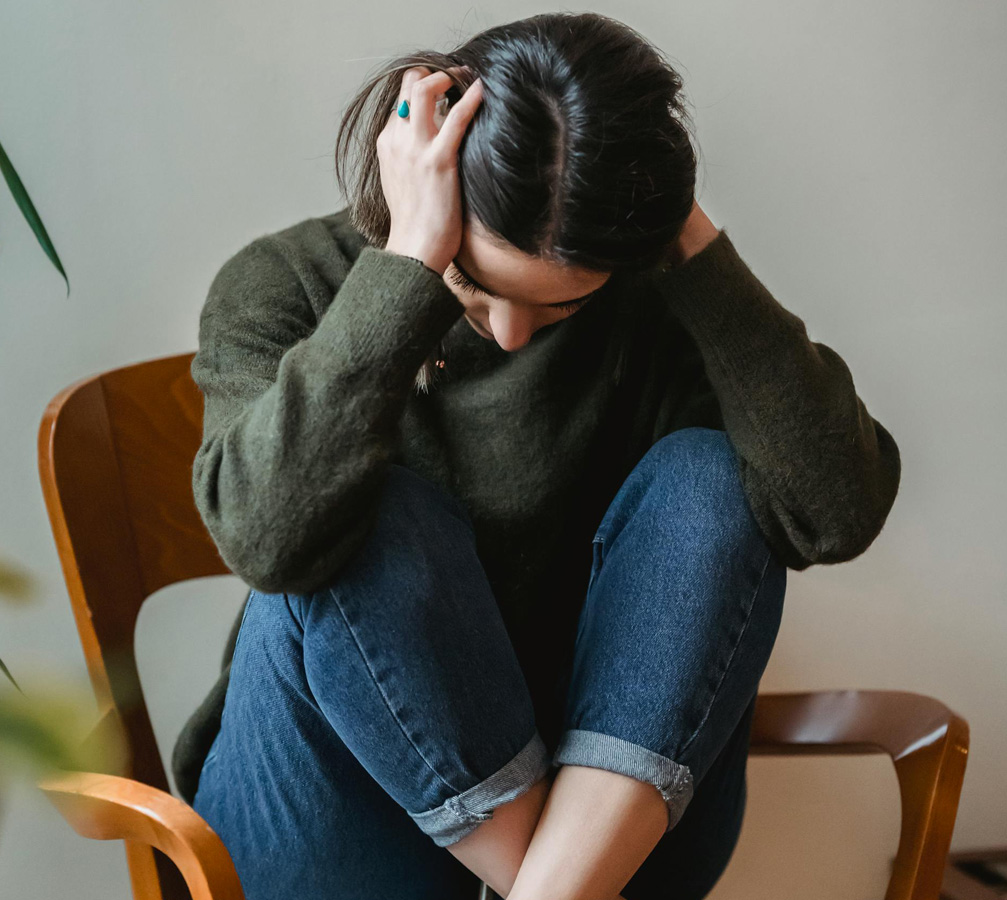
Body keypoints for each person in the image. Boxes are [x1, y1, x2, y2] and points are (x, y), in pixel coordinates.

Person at [173, 12, 902, 900]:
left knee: (713, 482)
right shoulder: (286, 284)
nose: (514, 334)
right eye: (476, 284)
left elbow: (832, 514)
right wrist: (407, 270)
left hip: (601, 820)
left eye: (560, 307)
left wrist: (696, 254)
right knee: (363, 519)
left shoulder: (648, 305)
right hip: (329, 809)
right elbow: (269, 538)